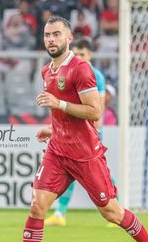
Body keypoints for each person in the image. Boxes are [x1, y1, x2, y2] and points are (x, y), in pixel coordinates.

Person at [23, 16, 148, 242]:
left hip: (86, 154)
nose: (50, 39)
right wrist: (52, 129)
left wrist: (59, 103)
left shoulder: (81, 69)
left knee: (111, 212)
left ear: (68, 38)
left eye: (56, 34)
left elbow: (94, 113)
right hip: (58, 151)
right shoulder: (47, 72)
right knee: (37, 206)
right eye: (47, 35)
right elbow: (62, 115)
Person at [44, 38, 107, 228]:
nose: (79, 57)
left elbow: (98, 110)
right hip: (69, 135)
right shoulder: (67, 72)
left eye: (82, 54)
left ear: (90, 55)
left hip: (90, 134)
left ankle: (117, 207)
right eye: (77, 53)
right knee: (69, 173)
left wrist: (95, 131)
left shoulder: (96, 76)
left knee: (102, 176)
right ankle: (60, 213)